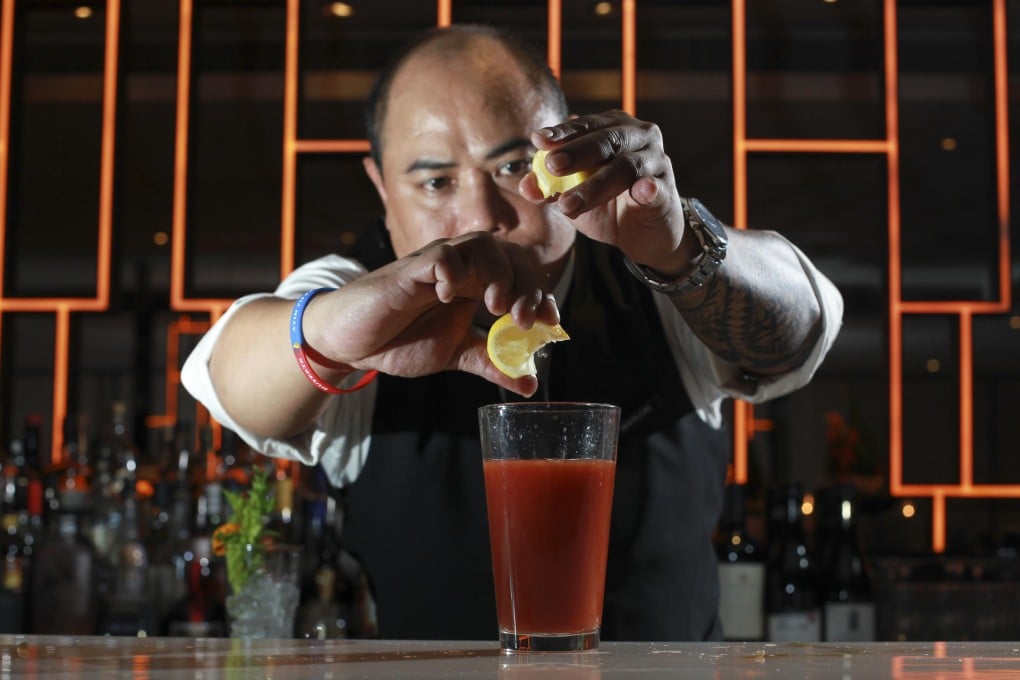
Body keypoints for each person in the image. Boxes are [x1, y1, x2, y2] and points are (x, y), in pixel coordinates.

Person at [182, 24, 843, 641]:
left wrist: (683, 251)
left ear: (568, 155)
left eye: (510, 169)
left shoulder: (652, 265)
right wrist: (334, 336)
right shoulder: (354, 287)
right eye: (436, 181)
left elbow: (802, 327)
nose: (481, 215)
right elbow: (229, 377)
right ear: (381, 188)